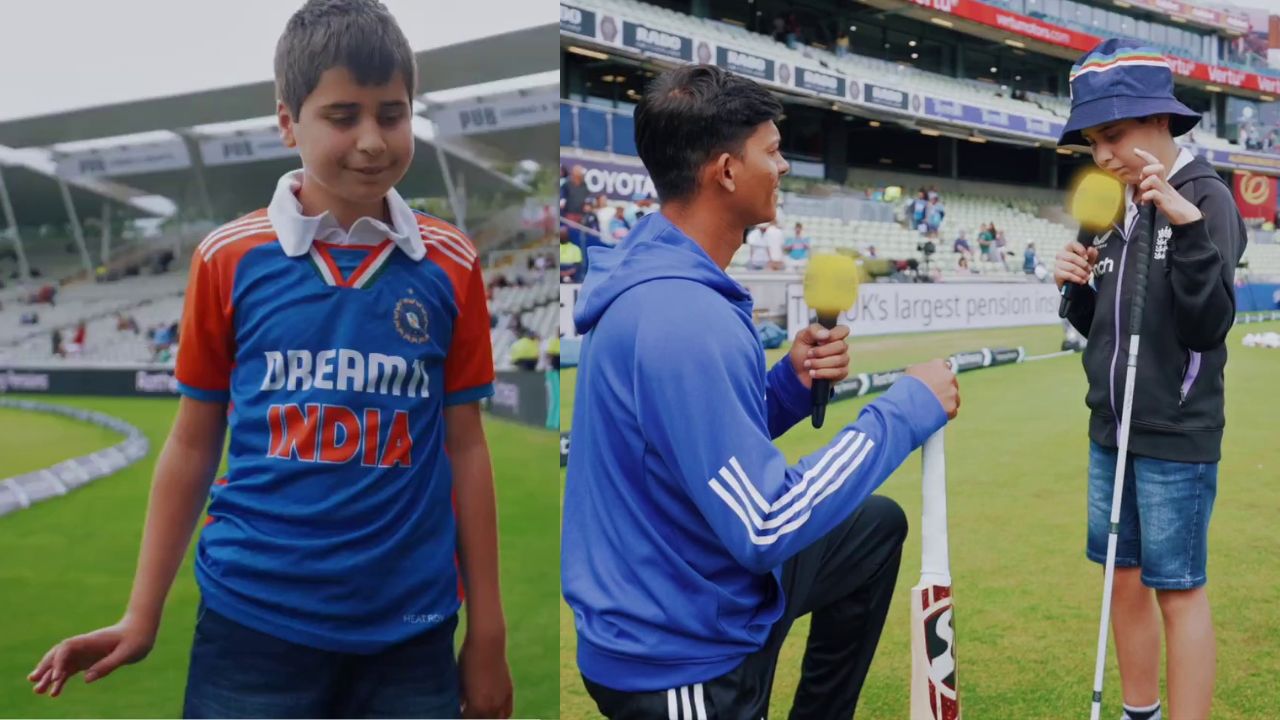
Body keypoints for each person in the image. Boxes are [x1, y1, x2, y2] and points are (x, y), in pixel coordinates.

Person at [26, 2, 513, 717]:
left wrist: (490, 634)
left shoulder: (451, 262)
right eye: (343, 115)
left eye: (393, 112)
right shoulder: (227, 258)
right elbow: (193, 443)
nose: (372, 141)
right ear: (288, 121)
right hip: (252, 626)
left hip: (412, 632)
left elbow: (466, 450)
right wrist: (142, 611)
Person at [562, 64, 960, 720]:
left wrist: (788, 387)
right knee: (824, 523)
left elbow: (682, 443)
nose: (784, 167)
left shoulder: (670, 283)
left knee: (871, 529)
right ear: (724, 171)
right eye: (772, 152)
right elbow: (764, 521)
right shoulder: (681, 316)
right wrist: (907, 408)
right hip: (675, 652)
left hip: (684, 586)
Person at [1053, 39, 1248, 720]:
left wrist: (1186, 229)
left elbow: (1207, 327)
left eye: (1115, 133)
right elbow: (1097, 323)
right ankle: (1141, 711)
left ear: (1161, 121)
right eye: (1093, 139)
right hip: (1110, 428)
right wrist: (1073, 286)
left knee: (1179, 588)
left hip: (1175, 431)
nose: (1103, 154)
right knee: (1121, 579)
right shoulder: (1106, 203)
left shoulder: (1208, 198)